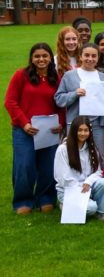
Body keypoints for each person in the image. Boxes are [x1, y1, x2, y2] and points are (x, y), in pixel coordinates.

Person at [6, 42, 64, 214]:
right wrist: (24, 123)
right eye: (37, 56)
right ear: (31, 58)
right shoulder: (21, 76)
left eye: (45, 56)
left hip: (48, 131)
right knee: (25, 165)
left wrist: (60, 123)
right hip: (25, 130)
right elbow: (10, 101)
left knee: (48, 166)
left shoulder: (56, 78)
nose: (41, 59)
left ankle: (45, 198)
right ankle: (23, 200)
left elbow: (61, 103)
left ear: (50, 58)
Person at [55, 43, 104, 159]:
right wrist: (74, 94)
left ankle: (98, 177)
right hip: (75, 124)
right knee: (74, 155)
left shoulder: (102, 77)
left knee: (99, 156)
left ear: (98, 58)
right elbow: (59, 99)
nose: (90, 59)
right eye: (86, 55)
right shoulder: (69, 76)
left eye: (94, 56)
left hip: (98, 125)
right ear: (80, 56)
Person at [54, 117, 104, 221]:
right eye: (79, 130)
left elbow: (98, 171)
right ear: (74, 131)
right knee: (91, 208)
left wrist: (89, 182)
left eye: (86, 130)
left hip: (87, 187)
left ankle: (100, 213)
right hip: (69, 190)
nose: (83, 133)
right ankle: (65, 205)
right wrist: (82, 193)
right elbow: (63, 178)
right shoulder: (63, 149)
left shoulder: (92, 148)